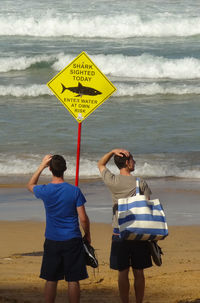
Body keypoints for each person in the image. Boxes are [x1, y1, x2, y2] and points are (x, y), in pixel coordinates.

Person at [27, 154, 91, 303]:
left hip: (52, 239)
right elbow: (83, 218)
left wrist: (41, 166)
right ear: (65, 169)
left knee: (51, 279)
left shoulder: (45, 190)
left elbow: (30, 185)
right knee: (73, 280)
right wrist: (87, 234)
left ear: (50, 170)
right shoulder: (74, 191)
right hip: (72, 239)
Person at [98, 149, 152, 303]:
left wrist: (112, 151)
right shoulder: (140, 183)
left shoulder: (112, 181)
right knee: (139, 272)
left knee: (122, 272)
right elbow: (147, 204)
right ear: (127, 163)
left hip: (119, 232)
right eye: (132, 160)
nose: (134, 162)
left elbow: (101, 164)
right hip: (138, 232)